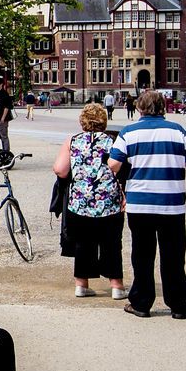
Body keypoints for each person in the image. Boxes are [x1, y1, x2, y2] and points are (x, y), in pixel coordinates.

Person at [109, 90, 186, 320]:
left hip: (140, 203)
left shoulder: (128, 132)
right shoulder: (178, 131)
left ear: (139, 108)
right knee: (173, 255)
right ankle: (178, 304)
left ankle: (141, 302)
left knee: (142, 254)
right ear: (164, 107)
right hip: (171, 203)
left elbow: (113, 165)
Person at [53, 104, 127, 300]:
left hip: (80, 201)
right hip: (109, 200)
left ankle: (81, 285)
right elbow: (121, 167)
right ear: (104, 121)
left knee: (82, 243)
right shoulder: (113, 141)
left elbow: (60, 169)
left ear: (82, 121)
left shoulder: (73, 140)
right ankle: (117, 287)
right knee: (112, 243)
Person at [0, 77, 14, 153]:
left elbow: (7, 107)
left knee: (4, 136)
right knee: (1, 136)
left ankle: (6, 152)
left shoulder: (4, 94)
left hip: (2, 119)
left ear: (1, 84)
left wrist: (3, 118)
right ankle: (4, 151)